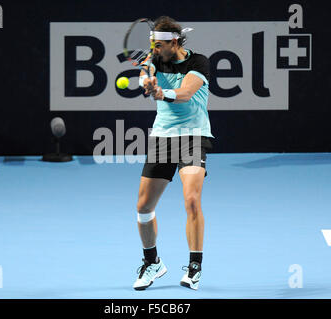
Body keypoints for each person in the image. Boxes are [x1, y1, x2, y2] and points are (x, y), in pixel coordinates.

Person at [133, 16, 214, 291]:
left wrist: (161, 92)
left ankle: (195, 266)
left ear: (174, 42)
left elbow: (186, 92)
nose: (154, 49)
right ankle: (152, 262)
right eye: (152, 45)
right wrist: (147, 81)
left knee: (191, 199)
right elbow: (145, 71)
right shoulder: (153, 56)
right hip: (162, 137)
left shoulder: (199, 62)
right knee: (144, 207)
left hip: (193, 136)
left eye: (159, 45)